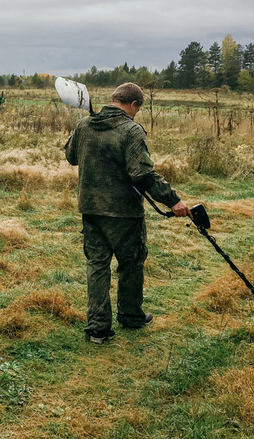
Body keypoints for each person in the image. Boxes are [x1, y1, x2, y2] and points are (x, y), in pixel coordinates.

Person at [65, 82, 191, 344]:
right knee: (131, 264)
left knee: (97, 266)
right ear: (133, 105)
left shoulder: (85, 125)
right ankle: (131, 316)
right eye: (137, 109)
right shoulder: (132, 131)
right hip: (124, 213)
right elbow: (143, 174)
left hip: (90, 209)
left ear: (113, 99)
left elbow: (71, 156)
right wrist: (173, 201)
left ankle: (98, 329)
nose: (136, 114)